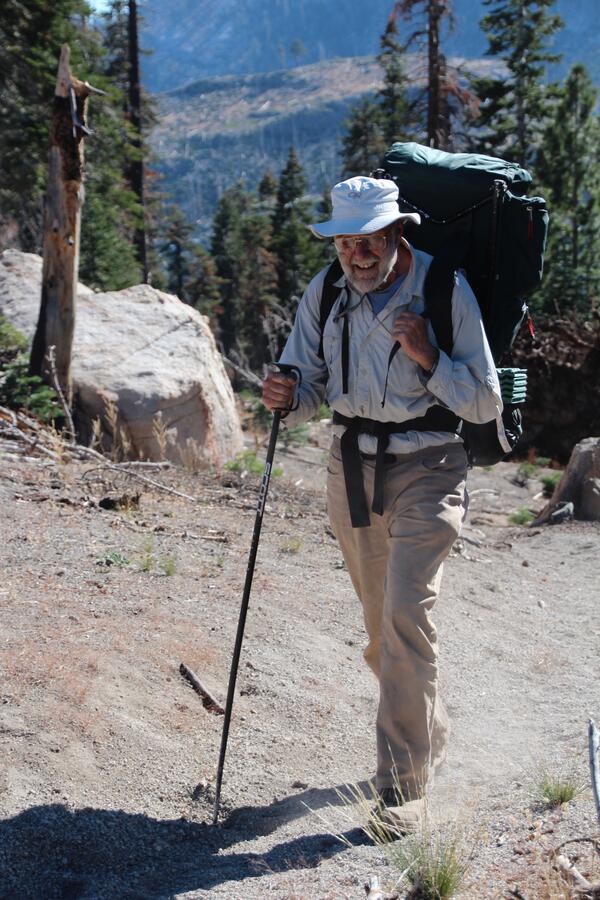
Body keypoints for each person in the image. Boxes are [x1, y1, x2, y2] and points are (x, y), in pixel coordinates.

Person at [262, 176, 504, 833]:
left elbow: (484, 402)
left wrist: (428, 357)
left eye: (369, 240)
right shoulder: (327, 291)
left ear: (398, 232)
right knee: (381, 631)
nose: (357, 254)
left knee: (403, 615)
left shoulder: (443, 289)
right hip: (352, 471)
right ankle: (428, 730)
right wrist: (288, 395)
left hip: (430, 468)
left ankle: (404, 789)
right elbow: (308, 384)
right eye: (346, 242)